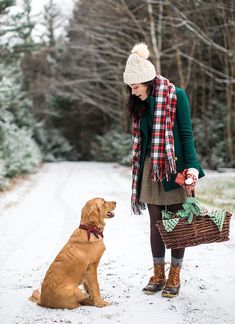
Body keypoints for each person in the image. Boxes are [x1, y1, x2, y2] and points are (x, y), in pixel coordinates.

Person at [123, 43, 205, 298]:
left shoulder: (176, 95)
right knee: (156, 224)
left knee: (176, 224)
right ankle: (158, 273)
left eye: (135, 87)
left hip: (174, 167)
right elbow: (142, 140)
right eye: (131, 88)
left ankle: (174, 275)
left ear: (147, 81)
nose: (133, 92)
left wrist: (191, 166)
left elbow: (186, 133)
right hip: (150, 169)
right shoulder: (141, 104)